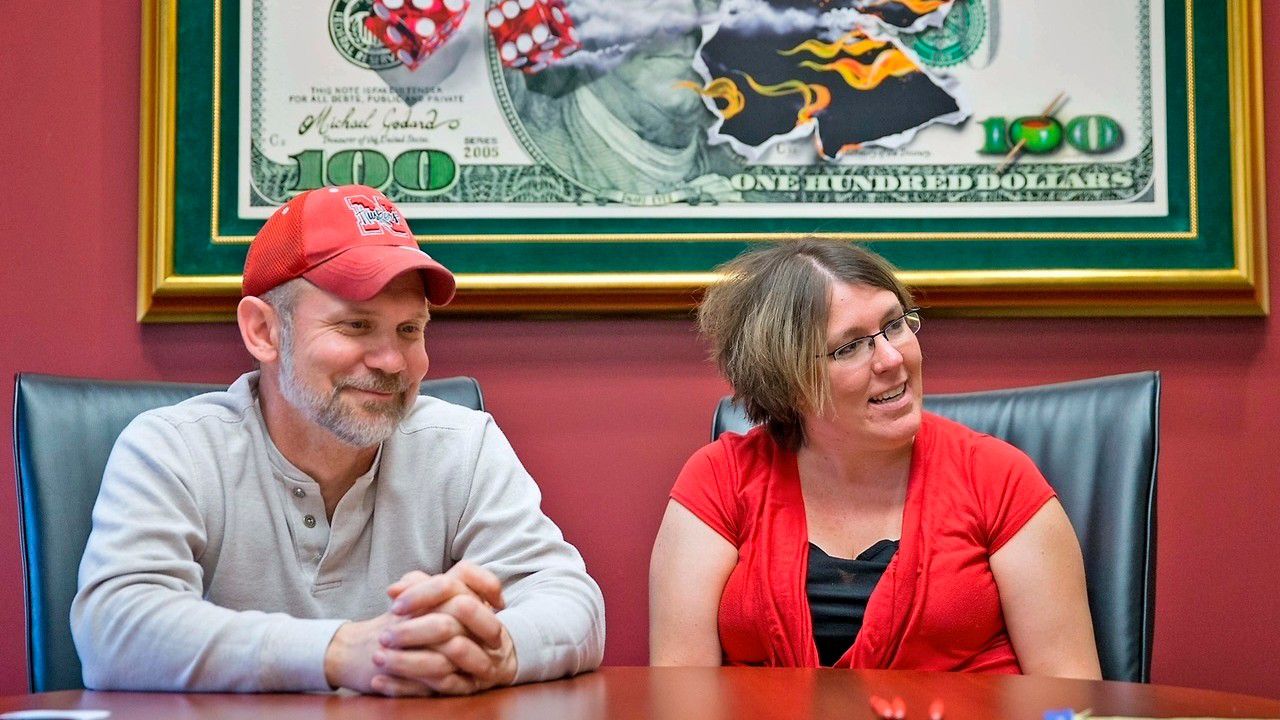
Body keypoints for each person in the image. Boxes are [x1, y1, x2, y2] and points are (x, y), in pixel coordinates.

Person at [72, 184, 605, 695]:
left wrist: (497, 650)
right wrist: (340, 652)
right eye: (355, 326)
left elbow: (571, 600)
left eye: (409, 330)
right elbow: (114, 627)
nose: (392, 361)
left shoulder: (462, 445)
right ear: (263, 332)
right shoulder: (172, 449)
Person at [649, 239, 1100, 676]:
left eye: (895, 325)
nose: (890, 358)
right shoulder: (719, 479)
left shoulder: (999, 478)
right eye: (850, 346)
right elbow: (681, 694)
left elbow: (1068, 690)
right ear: (787, 383)